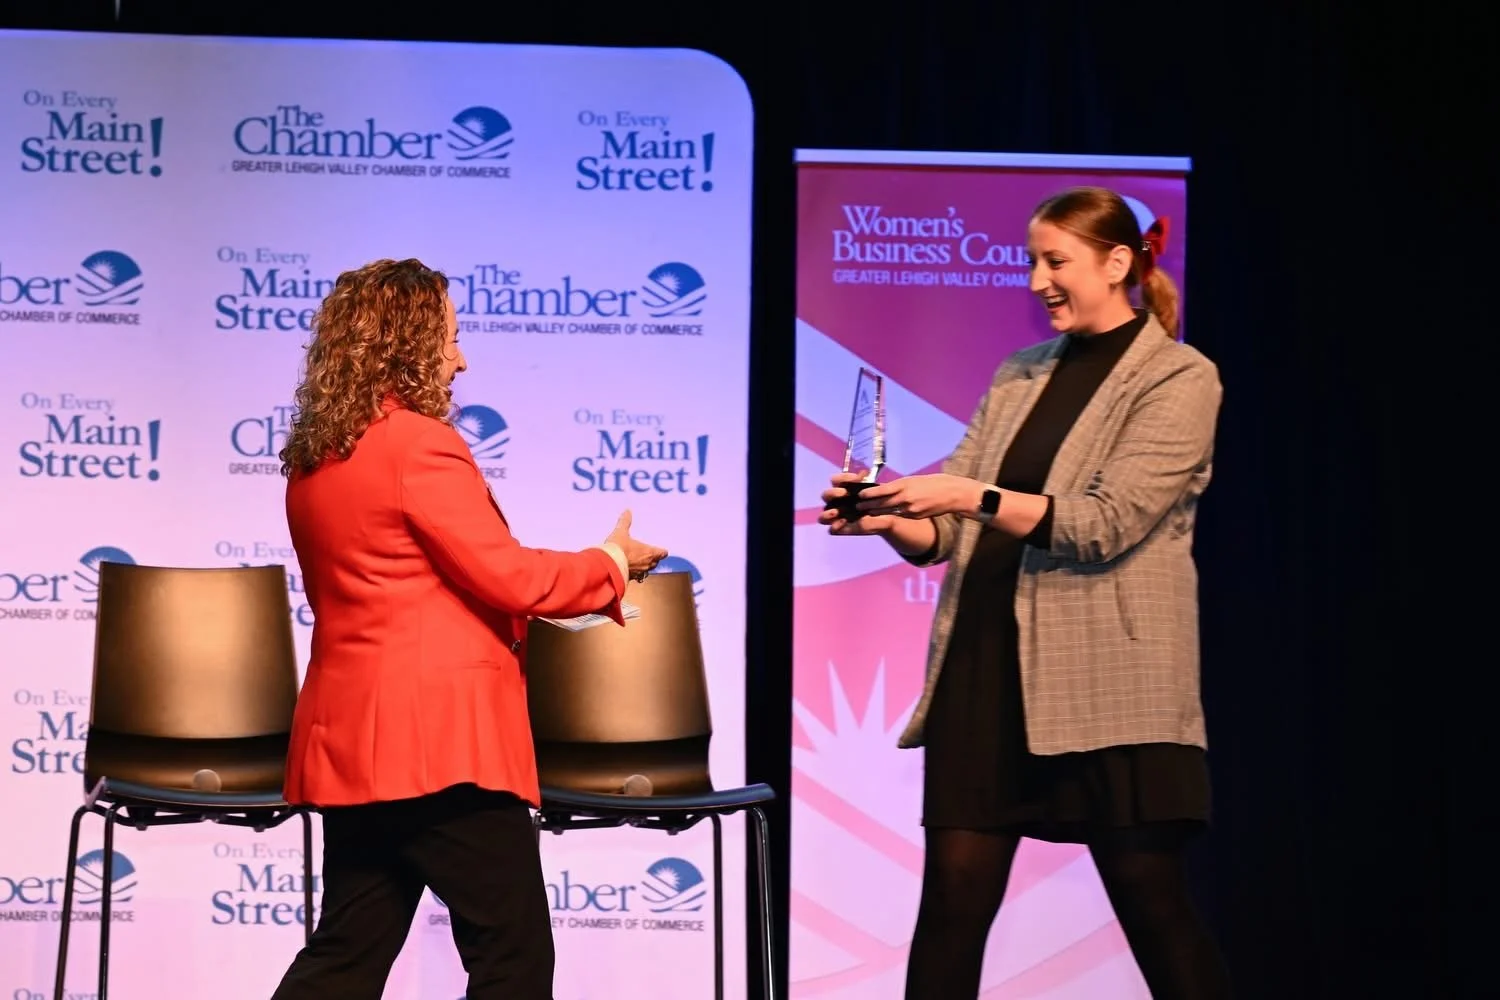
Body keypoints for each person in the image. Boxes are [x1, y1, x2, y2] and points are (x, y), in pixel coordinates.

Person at [821, 187, 1232, 999]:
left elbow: (1104, 523)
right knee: (951, 901)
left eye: (1057, 261)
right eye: (1032, 261)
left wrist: (960, 496)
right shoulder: (1021, 373)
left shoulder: (1180, 377)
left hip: (1112, 683)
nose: (1039, 279)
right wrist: (891, 515)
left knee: (1152, 901)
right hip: (990, 668)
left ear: (1118, 265)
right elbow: (950, 530)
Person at [268, 258, 667, 1000]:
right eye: (451, 336)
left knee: (345, 956)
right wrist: (610, 562)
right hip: (436, 745)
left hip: (356, 745)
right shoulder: (419, 443)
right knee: (511, 955)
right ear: (409, 342)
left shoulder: (316, 456)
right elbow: (509, 577)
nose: (462, 357)